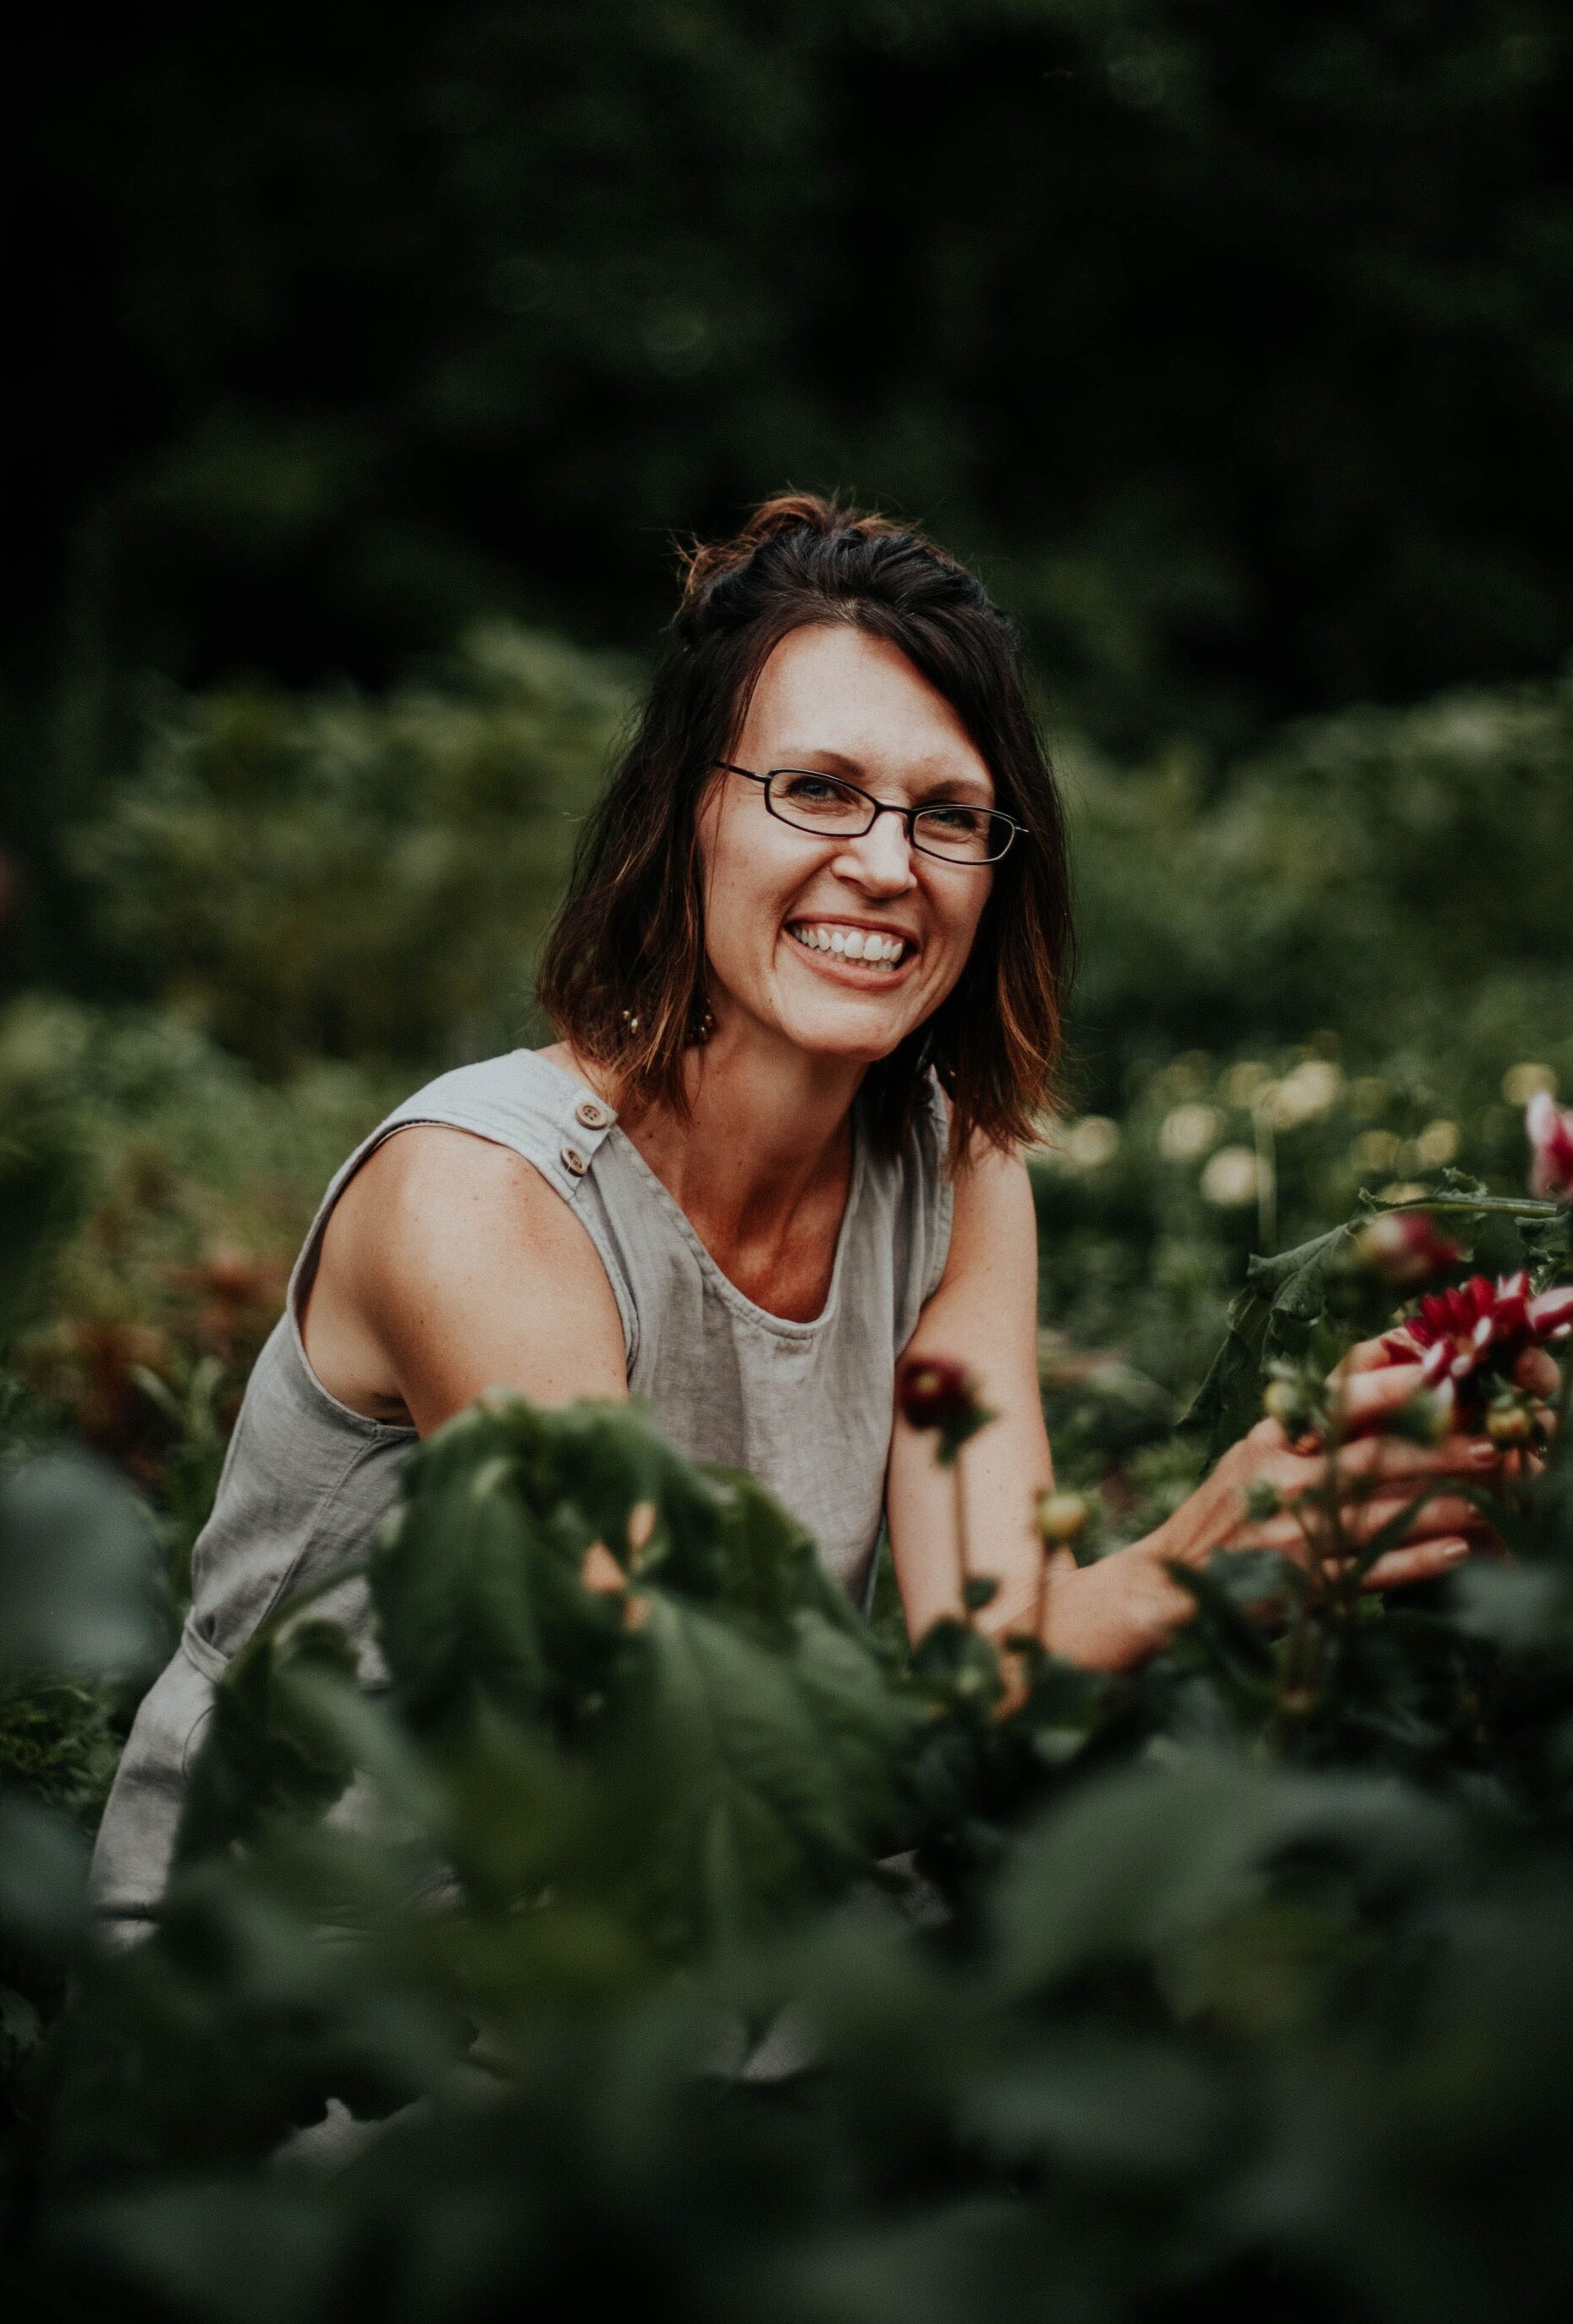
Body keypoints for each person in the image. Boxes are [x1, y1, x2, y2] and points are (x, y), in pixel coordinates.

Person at [91, 493, 1490, 1930]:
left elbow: (989, 1670)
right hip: (317, 1979)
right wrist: (1187, 1565)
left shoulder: (954, 1173)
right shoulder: (484, 1199)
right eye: (815, 789)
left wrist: (1300, 1518)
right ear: (685, 808)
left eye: (947, 813)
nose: (887, 863)